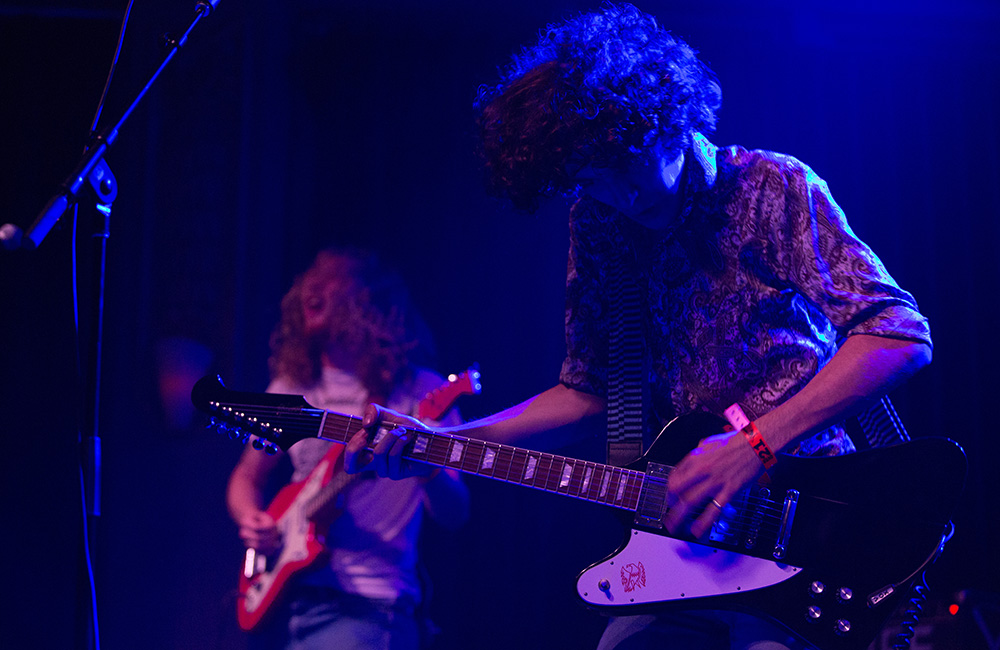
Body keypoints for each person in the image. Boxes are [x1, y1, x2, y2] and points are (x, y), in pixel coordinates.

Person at [344, 4, 932, 649]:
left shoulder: (772, 187)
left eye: (625, 165)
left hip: (803, 523)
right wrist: (444, 438)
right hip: (685, 531)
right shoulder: (599, 225)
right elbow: (586, 390)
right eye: (591, 181)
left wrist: (754, 446)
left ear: (665, 120)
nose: (621, 196)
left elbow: (899, 336)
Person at [226, 248, 470, 650]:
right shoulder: (291, 388)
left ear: (368, 298)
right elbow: (246, 476)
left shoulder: (419, 391)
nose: (312, 285)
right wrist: (251, 518)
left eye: (332, 277)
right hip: (287, 598)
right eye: (311, 276)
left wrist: (426, 466)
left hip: (369, 605)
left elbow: (455, 513)